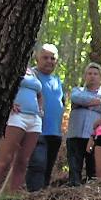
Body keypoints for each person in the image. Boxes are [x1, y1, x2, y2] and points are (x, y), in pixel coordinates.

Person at [0, 66, 44, 194]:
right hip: (16, 116)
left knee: (23, 161)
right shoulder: (15, 64)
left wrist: (40, 109)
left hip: (34, 119)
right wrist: (9, 102)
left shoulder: (33, 72)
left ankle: (11, 196)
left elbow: (40, 94)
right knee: (5, 159)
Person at [25, 43, 64, 191]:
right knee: (38, 165)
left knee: (47, 167)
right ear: (37, 58)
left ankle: (42, 199)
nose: (49, 61)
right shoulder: (31, 76)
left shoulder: (57, 81)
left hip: (54, 132)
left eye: (52, 58)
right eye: (45, 57)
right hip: (36, 129)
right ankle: (34, 198)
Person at [66, 63, 101, 187]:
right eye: (89, 73)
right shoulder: (77, 91)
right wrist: (96, 104)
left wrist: (84, 104)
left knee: (92, 167)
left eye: (95, 74)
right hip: (75, 134)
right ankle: (73, 191)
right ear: (85, 76)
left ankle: (90, 194)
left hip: (93, 136)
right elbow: (76, 98)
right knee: (74, 166)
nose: (92, 76)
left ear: (100, 77)